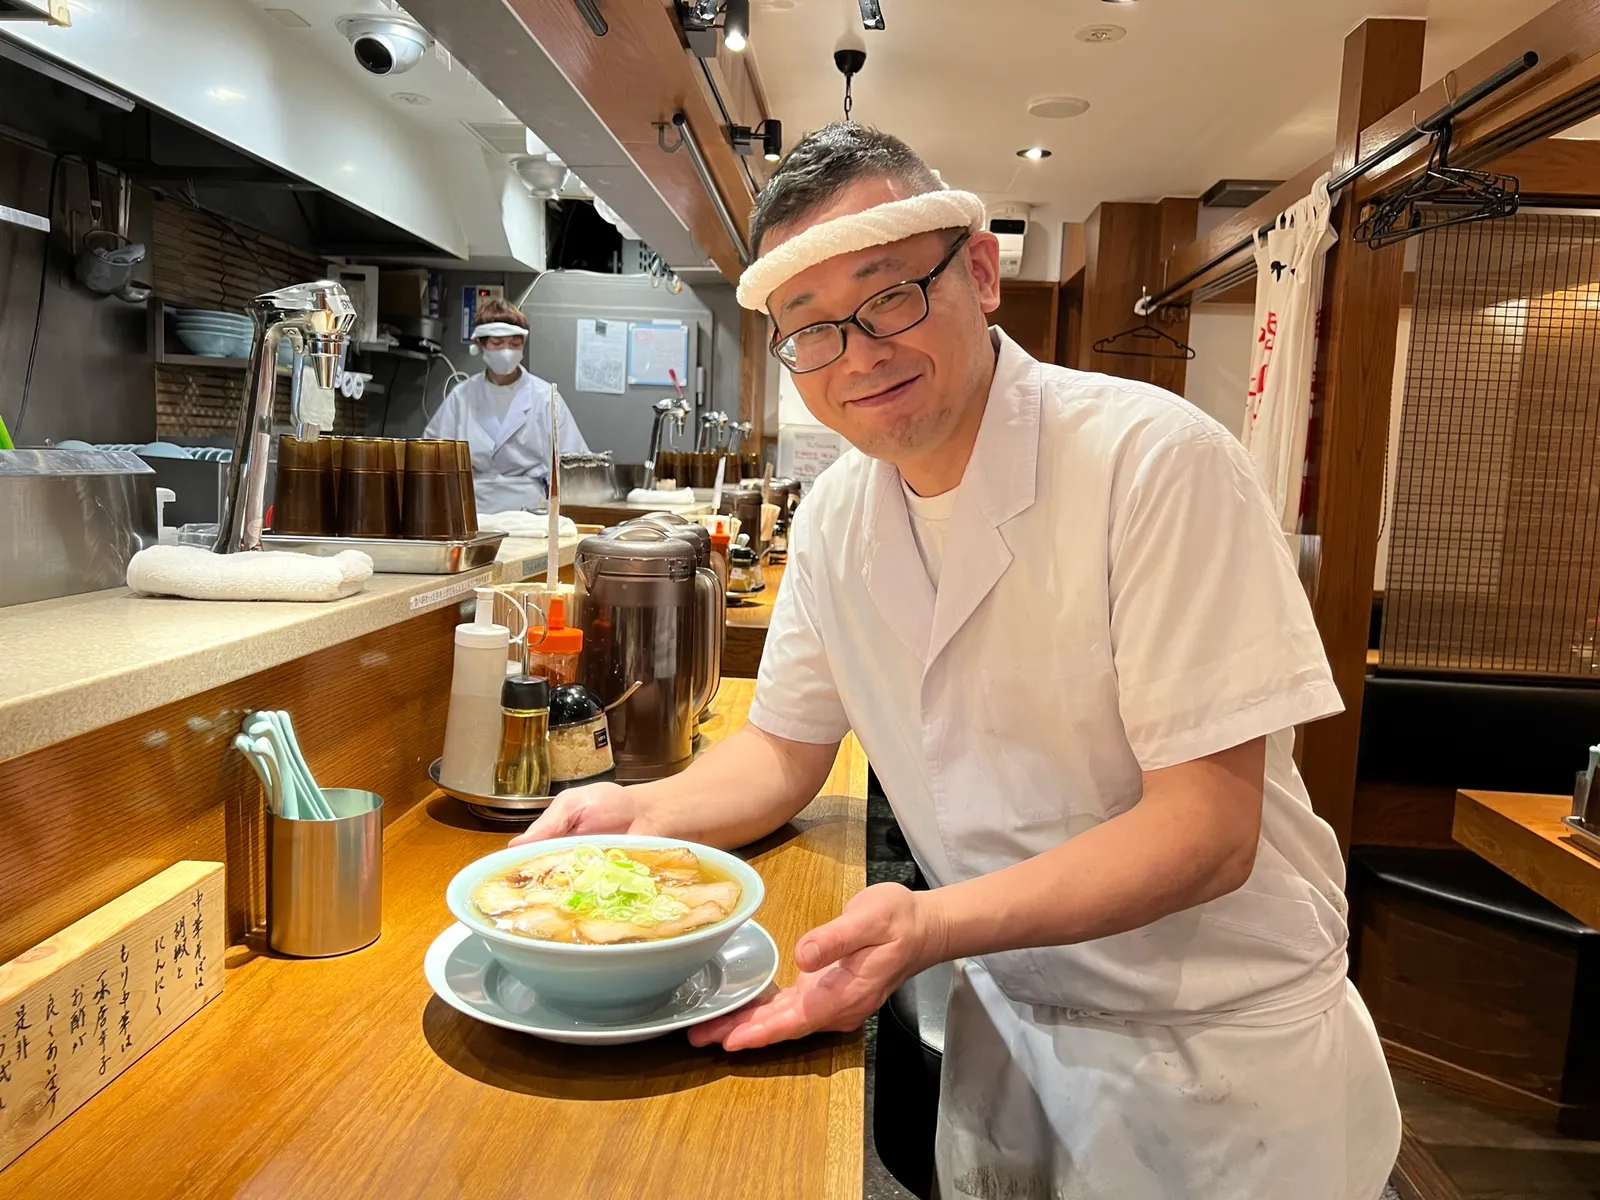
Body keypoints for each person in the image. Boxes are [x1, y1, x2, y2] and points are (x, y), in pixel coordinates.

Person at [513, 123, 1401, 1199]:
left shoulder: (1154, 461)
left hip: (1214, 1058)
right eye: (811, 329)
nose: (858, 354)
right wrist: (632, 817)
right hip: (1006, 1020)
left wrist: (932, 923)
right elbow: (781, 752)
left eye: (889, 296)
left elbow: (1206, 831)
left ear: (980, 274)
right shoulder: (837, 514)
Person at [425, 297, 589, 513]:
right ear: (480, 344)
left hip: (531, 512)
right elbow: (431, 457)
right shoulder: (462, 397)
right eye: (497, 343)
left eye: (514, 344)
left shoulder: (545, 398)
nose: (506, 351)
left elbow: (575, 464)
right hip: (474, 511)